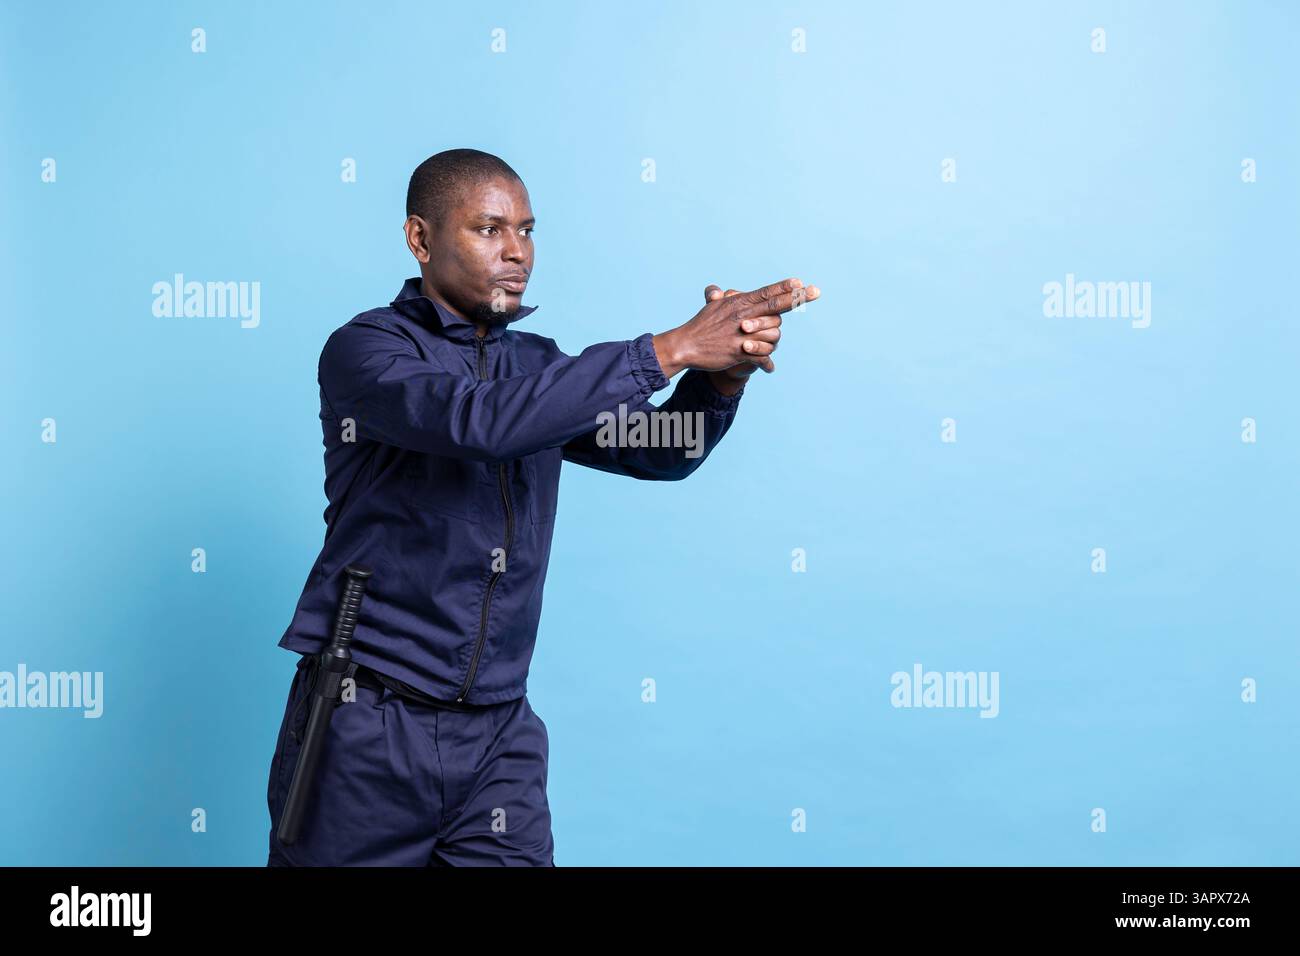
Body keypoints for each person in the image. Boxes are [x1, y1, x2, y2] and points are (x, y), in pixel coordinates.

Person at [265, 148, 820, 866]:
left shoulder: (540, 367)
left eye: (527, 230)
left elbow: (659, 447)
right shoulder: (368, 351)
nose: (517, 251)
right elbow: (477, 423)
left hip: (499, 735)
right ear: (420, 239)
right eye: (489, 230)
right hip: (370, 723)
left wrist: (721, 381)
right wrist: (674, 346)